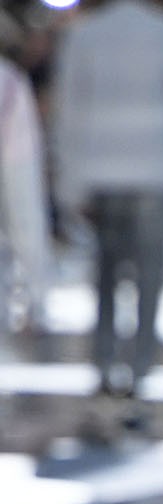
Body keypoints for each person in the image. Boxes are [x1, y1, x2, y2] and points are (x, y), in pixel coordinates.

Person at [52, 0, 163, 402]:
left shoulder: (85, 35)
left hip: (101, 174)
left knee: (106, 276)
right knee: (150, 277)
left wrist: (69, 183)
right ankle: (139, 368)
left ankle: (104, 361)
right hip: (157, 174)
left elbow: (69, 109)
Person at [0, 52, 51, 333]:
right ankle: (35, 301)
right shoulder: (9, 79)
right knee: (24, 224)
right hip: (16, 155)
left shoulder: (9, 80)